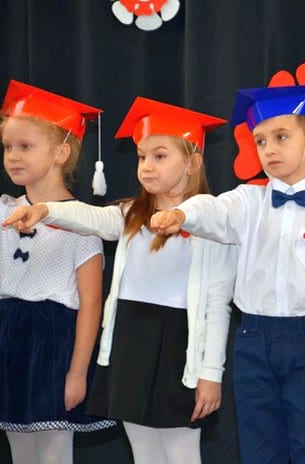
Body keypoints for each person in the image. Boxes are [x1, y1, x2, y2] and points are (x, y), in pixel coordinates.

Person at [4, 97, 237, 464]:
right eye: (142, 157)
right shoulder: (130, 215)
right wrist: (46, 210)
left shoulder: (212, 225)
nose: (147, 166)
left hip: (179, 346)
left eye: (160, 156)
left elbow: (217, 304)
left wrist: (211, 373)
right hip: (131, 339)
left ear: (192, 163)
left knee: (180, 452)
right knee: (143, 450)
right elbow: (90, 217)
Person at [149, 84, 305, 464]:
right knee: (259, 451)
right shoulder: (247, 201)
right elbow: (213, 210)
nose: (269, 149)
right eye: (261, 140)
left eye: (281, 137)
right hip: (254, 340)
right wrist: (183, 214)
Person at [0, 80, 114, 464]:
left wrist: (77, 372)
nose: (13, 156)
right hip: (10, 337)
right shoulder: (3, 211)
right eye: (7, 147)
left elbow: (91, 303)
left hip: (51, 343)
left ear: (61, 152)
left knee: (53, 451)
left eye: (25, 146)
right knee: (20, 450)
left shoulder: (83, 225)